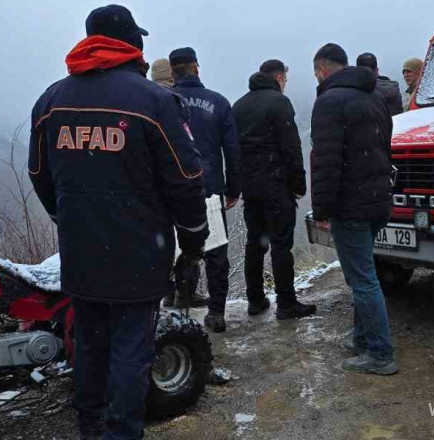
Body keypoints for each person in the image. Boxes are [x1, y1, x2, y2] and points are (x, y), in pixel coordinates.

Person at [28, 5, 208, 439]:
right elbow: (186, 178)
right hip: (139, 248)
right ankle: (122, 431)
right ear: (132, 44)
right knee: (132, 346)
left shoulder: (52, 100)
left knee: (89, 341)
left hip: (81, 246)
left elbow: (38, 173)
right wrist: (194, 236)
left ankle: (89, 423)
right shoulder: (154, 101)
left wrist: (65, 216)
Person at [310, 43, 397, 375]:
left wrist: (322, 210)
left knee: (362, 280)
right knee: (365, 273)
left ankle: (380, 353)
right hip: (377, 201)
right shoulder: (374, 97)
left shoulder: (329, 102)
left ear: (322, 69)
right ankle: (362, 336)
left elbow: (326, 162)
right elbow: (384, 147)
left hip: (352, 205)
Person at [232, 60, 316, 320]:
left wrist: (237, 183)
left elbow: (233, 149)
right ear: (279, 77)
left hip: (251, 186)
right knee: (281, 244)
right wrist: (299, 184)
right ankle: (287, 304)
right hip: (276, 185)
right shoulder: (279, 102)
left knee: (255, 243)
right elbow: (290, 147)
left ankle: (255, 300)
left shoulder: (240, 105)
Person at [169, 47, 241, 332]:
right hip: (209, 189)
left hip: (173, 190)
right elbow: (232, 150)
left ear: (173, 71)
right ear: (196, 68)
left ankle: (182, 313)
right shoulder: (218, 102)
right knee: (216, 253)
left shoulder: (163, 102)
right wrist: (233, 188)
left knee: (180, 251)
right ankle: (217, 313)